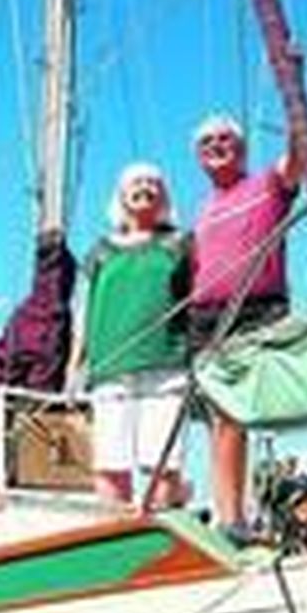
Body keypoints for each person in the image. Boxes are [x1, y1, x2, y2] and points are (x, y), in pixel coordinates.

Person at [188, 113, 303, 535]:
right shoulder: (203, 211)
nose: (216, 146)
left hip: (254, 310)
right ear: (198, 158)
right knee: (217, 419)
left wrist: (294, 107)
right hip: (204, 318)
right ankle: (226, 513)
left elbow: (298, 159)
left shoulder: (266, 185)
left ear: (242, 147)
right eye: (206, 143)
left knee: (234, 413)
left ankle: (234, 517)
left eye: (225, 139)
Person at [75, 163, 192, 506]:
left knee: (163, 463)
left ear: (164, 196)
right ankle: (116, 533)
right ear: (121, 196)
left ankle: (163, 529)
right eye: (136, 183)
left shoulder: (179, 244)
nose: (145, 187)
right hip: (110, 368)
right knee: (110, 464)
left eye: (154, 183)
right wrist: (75, 363)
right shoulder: (100, 251)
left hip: (166, 364)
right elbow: (84, 309)